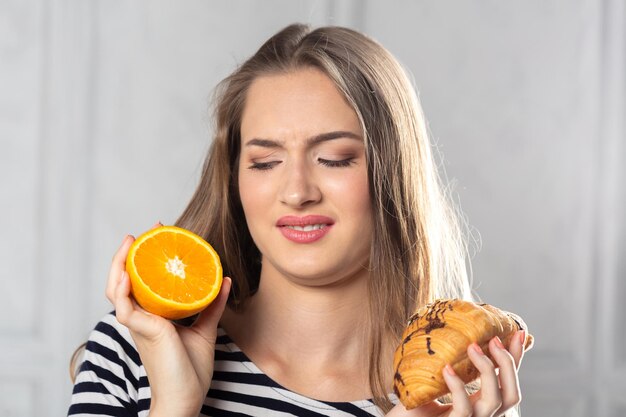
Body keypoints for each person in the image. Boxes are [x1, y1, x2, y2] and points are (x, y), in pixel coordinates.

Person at [68, 24, 527, 417]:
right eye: (265, 163)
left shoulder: (459, 393)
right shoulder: (138, 350)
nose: (296, 192)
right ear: (235, 180)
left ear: (395, 173)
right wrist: (173, 404)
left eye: (334, 158)